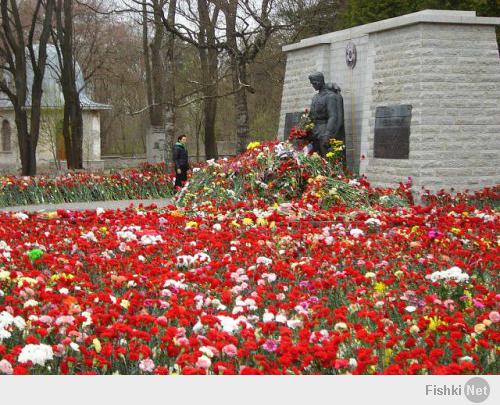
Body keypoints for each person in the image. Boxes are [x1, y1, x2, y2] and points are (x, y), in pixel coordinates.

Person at [308, 72, 343, 157]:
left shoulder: (330, 96)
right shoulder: (315, 97)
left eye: (313, 83)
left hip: (324, 131)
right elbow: (311, 115)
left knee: (326, 159)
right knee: (314, 159)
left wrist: (327, 133)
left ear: (318, 82)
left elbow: (333, 116)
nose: (312, 85)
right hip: (314, 131)